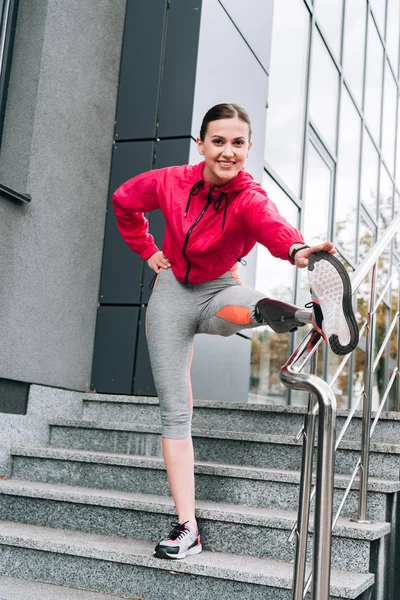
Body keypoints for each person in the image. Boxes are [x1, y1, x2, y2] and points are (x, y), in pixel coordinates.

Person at [112, 103, 359, 560]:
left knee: (242, 306)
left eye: (238, 143)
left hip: (221, 290)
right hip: (171, 297)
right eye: (219, 141)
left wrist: (299, 249)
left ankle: (311, 316)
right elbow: (125, 200)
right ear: (202, 144)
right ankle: (187, 527)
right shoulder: (170, 181)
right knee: (173, 410)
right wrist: (148, 251)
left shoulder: (250, 197)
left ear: (248, 148)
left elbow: (273, 226)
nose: (228, 152)